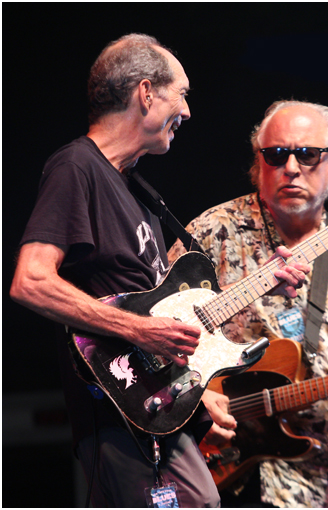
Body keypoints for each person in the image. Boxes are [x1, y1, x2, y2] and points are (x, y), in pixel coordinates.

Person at [9, 35, 309, 508]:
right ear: (146, 93)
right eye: (181, 94)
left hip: (156, 408)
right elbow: (31, 281)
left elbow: (169, 314)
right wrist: (139, 330)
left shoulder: (138, 193)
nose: (187, 112)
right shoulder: (76, 167)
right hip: (116, 407)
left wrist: (193, 388)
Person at [168, 100, 328, 507]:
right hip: (220, 467)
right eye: (276, 154)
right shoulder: (213, 231)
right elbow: (154, 333)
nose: (290, 167)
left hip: (321, 479)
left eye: (307, 154)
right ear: (258, 162)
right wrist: (195, 405)